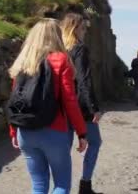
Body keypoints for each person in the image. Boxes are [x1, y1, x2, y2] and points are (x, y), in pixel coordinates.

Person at [8, 18, 88, 194]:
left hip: (25, 132)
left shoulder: (22, 61)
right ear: (57, 36)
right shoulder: (60, 60)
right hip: (54, 131)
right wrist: (81, 132)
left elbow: (16, 99)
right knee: (61, 185)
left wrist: (13, 130)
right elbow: (70, 101)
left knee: (38, 184)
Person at [61, 13, 103, 194]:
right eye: (83, 28)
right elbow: (84, 80)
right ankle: (85, 185)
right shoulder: (80, 49)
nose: (85, 31)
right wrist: (94, 107)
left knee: (64, 148)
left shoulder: (59, 49)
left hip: (62, 104)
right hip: (80, 105)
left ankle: (62, 188)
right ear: (75, 28)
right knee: (95, 142)